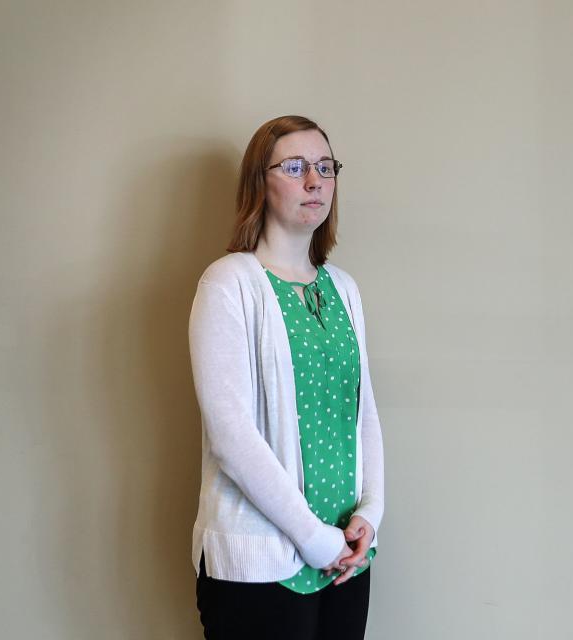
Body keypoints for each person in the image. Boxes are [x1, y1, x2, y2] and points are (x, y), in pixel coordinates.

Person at [187, 115, 384, 639]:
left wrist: (372, 511)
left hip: (346, 555)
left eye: (325, 167)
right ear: (260, 181)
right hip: (261, 564)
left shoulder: (344, 289)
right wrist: (314, 539)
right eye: (294, 167)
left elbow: (361, 413)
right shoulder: (229, 284)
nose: (314, 181)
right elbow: (232, 437)